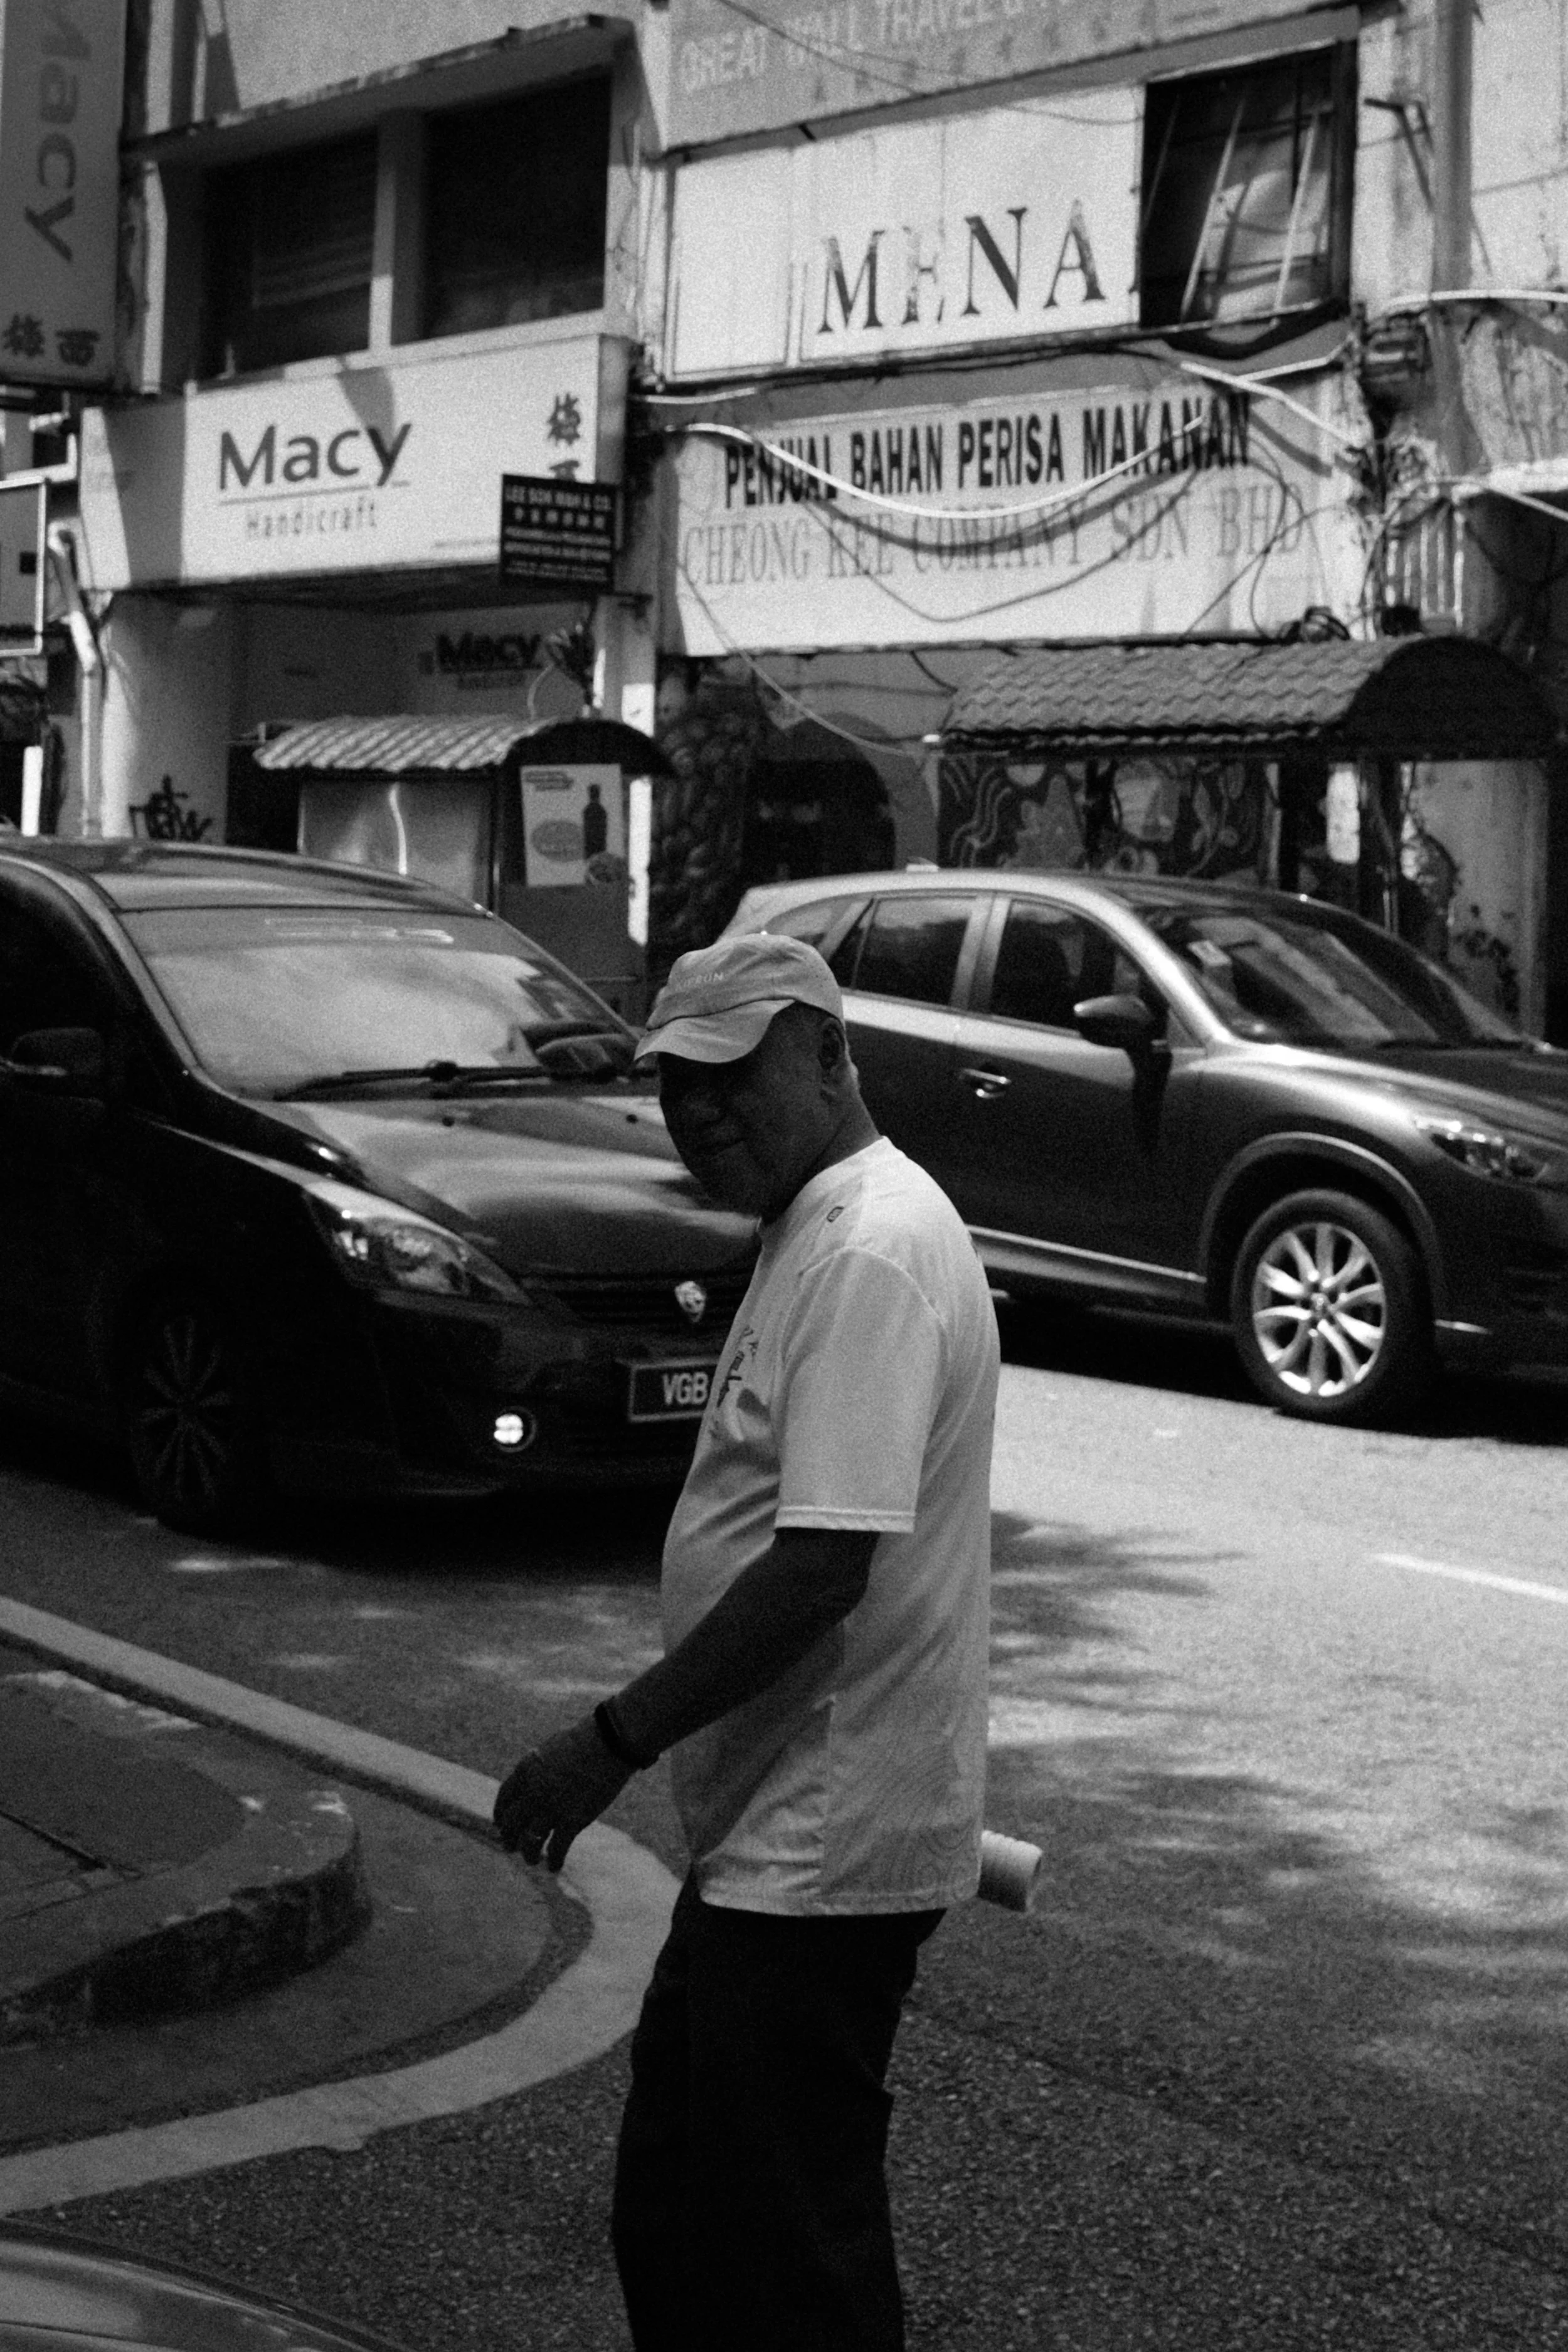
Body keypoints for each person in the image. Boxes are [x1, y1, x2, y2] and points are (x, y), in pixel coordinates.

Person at [493, 931, 999, 2352]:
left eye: (732, 1077)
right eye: (677, 1086)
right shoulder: (816, 1225)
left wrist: (607, 1742)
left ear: (830, 1056)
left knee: (779, 2250)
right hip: (772, 1833)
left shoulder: (870, 1249)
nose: (700, 1113)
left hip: (820, 1844)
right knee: (689, 2209)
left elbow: (819, 1571)